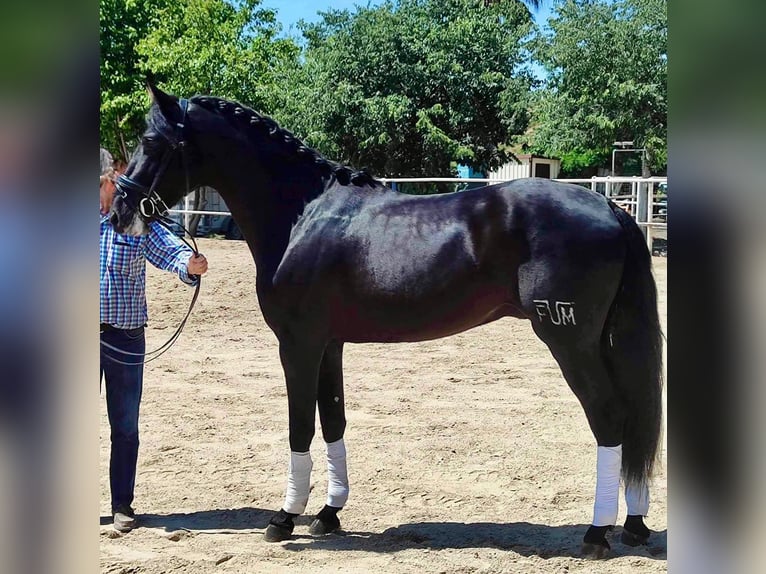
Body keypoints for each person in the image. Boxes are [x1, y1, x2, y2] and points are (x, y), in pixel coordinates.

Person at [99, 148, 208, 532]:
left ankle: (121, 504)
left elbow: (170, 251)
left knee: (125, 425)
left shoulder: (133, 219)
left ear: (110, 180)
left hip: (125, 337)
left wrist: (189, 266)